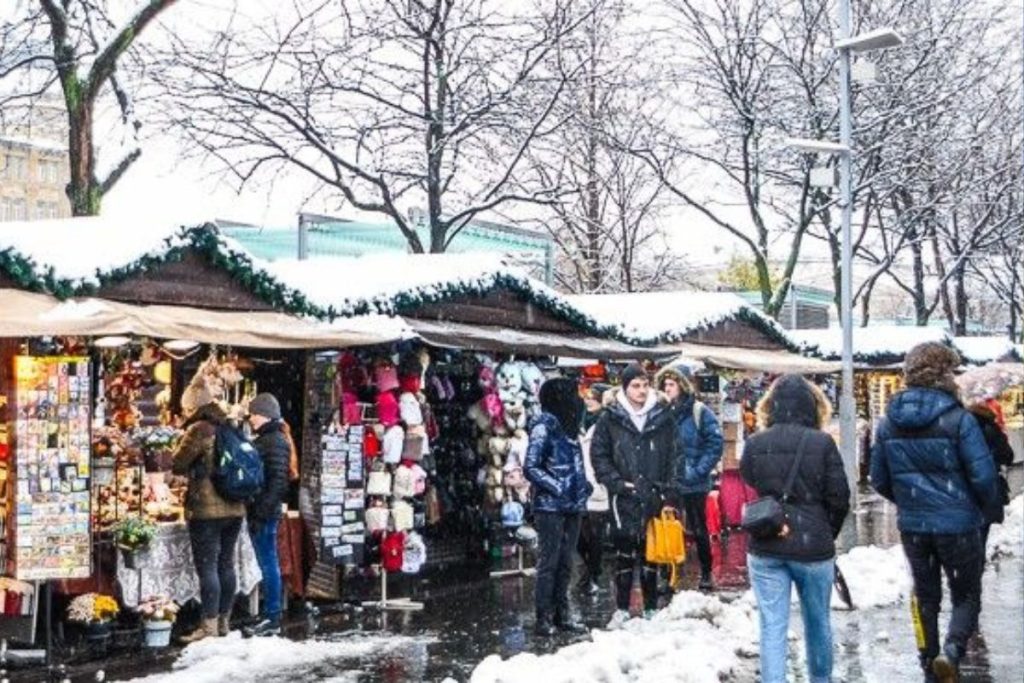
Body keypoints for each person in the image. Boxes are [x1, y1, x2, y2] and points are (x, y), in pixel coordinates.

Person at [870, 342, 999, 683]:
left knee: (924, 595)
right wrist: (985, 509)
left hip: (914, 525)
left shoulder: (888, 422)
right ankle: (953, 651)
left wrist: (910, 501)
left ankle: (928, 657)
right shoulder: (959, 420)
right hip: (958, 523)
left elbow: (878, 478)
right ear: (945, 374)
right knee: (966, 594)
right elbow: (983, 476)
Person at [741, 374, 850, 683]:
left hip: (766, 543)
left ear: (771, 406)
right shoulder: (822, 443)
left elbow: (751, 481)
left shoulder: (756, 443)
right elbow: (839, 497)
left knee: (772, 625)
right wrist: (825, 532)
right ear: (814, 406)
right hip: (812, 548)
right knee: (818, 623)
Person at [590, 364, 679, 616]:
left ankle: (650, 607)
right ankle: (621, 608)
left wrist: (669, 491)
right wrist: (616, 483)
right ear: (625, 388)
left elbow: (675, 455)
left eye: (644, 385)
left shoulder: (663, 416)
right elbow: (600, 455)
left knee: (652, 551)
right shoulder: (610, 418)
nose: (641, 391)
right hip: (624, 496)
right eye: (635, 386)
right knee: (624, 552)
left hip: (654, 492)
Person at [172, 379, 246, 643]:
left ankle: (209, 625)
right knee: (226, 563)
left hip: (205, 510)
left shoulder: (199, 430)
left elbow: (178, 464)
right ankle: (225, 620)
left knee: (208, 567)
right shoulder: (231, 428)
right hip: (235, 507)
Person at [524, 377, 592, 636]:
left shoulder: (571, 428)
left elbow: (572, 464)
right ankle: (544, 616)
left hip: (572, 504)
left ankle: (562, 613)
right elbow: (531, 466)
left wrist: (581, 485)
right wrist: (558, 486)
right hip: (550, 506)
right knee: (549, 562)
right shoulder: (545, 428)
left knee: (565, 562)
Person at [657, 365, 723, 591]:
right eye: (665, 385)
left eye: (671, 384)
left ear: (682, 385)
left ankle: (706, 573)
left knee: (698, 527)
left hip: (694, 482)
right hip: (670, 481)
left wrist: (697, 471)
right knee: (668, 527)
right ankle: (669, 574)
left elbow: (715, 444)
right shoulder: (662, 412)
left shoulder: (699, 411)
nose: (667, 389)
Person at [243, 393, 291, 637]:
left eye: (253, 414)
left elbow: (277, 482)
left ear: (264, 415)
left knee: (268, 561)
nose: (251, 419)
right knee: (267, 560)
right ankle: (269, 614)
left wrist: (261, 511)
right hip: (265, 509)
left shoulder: (272, 441)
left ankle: (272, 615)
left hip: (264, 511)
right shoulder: (272, 439)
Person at [577, 383, 611, 595]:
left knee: (596, 534)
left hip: (600, 484)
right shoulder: (578, 422)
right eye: (587, 396)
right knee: (579, 534)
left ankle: (593, 574)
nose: (589, 400)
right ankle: (590, 570)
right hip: (581, 483)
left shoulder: (606, 424)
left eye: (593, 397)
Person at [967, 400, 1014, 550]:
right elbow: (1007, 456)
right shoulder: (991, 428)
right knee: (982, 529)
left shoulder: (959, 427)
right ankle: (978, 563)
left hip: (964, 487)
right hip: (988, 486)